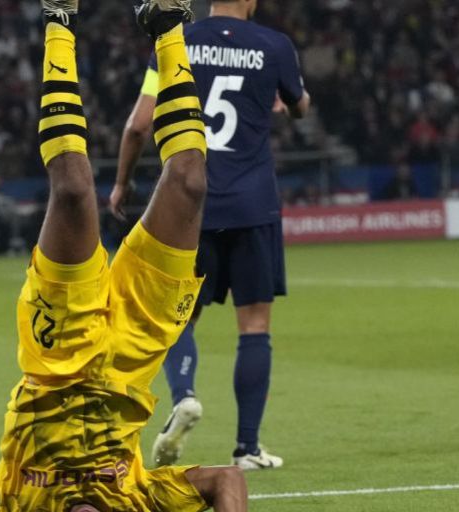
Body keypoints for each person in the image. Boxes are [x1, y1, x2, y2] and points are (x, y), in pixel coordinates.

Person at [0, 2, 247, 512]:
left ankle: (59, 20)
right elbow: (227, 482)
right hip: (137, 349)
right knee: (191, 181)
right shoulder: (139, 502)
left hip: (60, 353)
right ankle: (167, 25)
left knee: (72, 190)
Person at [111, 0, 311, 469]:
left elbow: (138, 125)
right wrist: (283, 100)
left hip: (189, 204)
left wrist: (122, 182)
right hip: (253, 204)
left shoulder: (176, 40)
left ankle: (184, 395)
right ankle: (247, 448)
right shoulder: (274, 46)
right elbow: (300, 106)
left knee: (179, 317)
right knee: (255, 326)